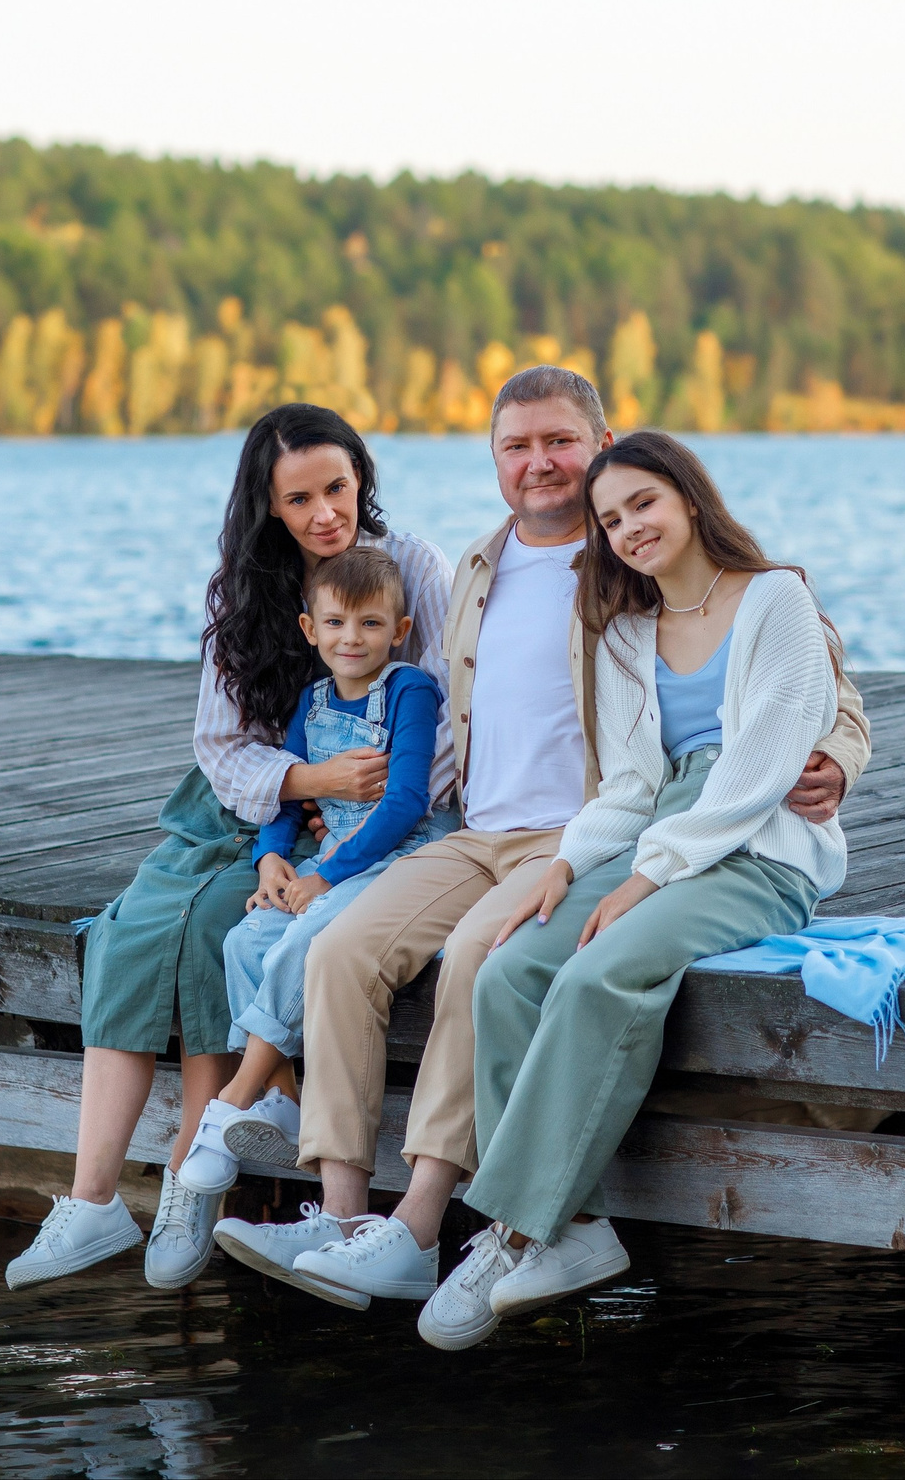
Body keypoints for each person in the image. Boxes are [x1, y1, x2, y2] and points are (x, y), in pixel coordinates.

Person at [209, 369, 869, 1327]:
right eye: (516, 446)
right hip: (481, 825)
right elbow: (382, 675)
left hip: (592, 829)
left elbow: (817, 694)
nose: (539, 463)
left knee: (487, 958)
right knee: (341, 947)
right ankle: (348, 1225)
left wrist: (837, 761)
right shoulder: (465, 570)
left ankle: (441, 1221)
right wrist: (310, 801)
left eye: (560, 441)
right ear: (493, 460)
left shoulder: (638, 575)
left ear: (602, 443)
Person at [5, 405, 452, 1292]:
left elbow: (443, 719)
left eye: (338, 487)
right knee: (134, 927)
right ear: (268, 505)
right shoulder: (245, 589)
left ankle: (190, 1179)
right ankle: (92, 1199)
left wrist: (356, 809)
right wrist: (311, 791)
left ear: (362, 476)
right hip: (254, 806)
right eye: (301, 498)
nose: (327, 512)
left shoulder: (415, 570)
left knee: (218, 925)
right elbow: (222, 744)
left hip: (366, 816)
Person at [420, 430, 849, 1346]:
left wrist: (647, 879)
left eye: (643, 505)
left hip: (760, 848)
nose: (628, 528)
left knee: (595, 974)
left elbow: (761, 768)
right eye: (610, 520)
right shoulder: (624, 630)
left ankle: (512, 1229)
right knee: (510, 964)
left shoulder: (777, 600)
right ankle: (569, 1232)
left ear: (690, 498)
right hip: (653, 831)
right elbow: (626, 786)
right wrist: (570, 866)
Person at [176, 546, 456, 1195]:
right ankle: (283, 1095)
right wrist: (270, 856)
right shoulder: (313, 698)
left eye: (370, 624)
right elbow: (292, 796)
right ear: (310, 629)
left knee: (310, 937)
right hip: (336, 860)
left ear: (401, 630)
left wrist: (323, 878)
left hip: (402, 858)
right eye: (334, 623)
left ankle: (234, 1101)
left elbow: (409, 801)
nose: (351, 639)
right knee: (245, 938)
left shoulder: (410, 689)